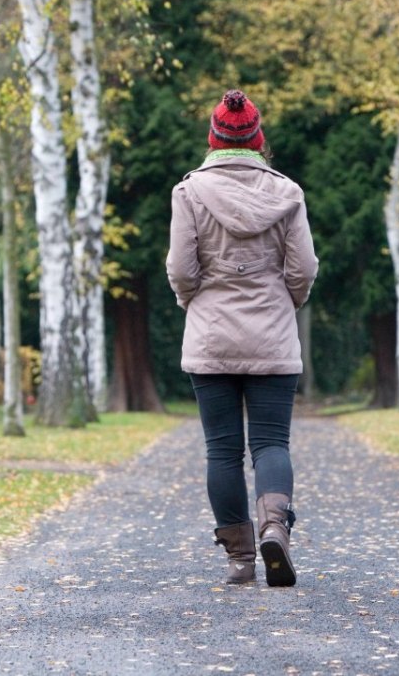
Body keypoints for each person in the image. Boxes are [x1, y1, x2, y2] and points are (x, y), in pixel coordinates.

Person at [166, 89, 318, 587]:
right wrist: (283, 304)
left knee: (222, 451)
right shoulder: (288, 193)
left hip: (211, 339)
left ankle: (240, 559)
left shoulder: (189, 192)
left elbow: (181, 269)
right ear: (258, 140)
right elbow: (303, 269)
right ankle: (276, 527)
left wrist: (196, 303)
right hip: (272, 336)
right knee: (272, 442)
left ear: (213, 138)